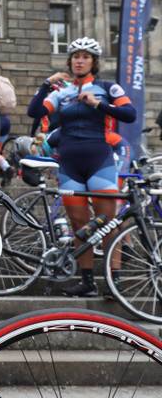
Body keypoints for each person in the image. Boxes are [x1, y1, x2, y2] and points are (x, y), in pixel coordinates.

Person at [27, 37, 136, 297]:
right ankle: (87, 281)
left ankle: (114, 279)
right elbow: (34, 112)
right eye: (76, 56)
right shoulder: (61, 92)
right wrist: (45, 84)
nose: (79, 60)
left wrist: (98, 104)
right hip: (70, 165)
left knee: (108, 222)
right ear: (70, 61)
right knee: (79, 225)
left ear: (93, 62)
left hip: (99, 160)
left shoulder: (108, 88)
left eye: (85, 57)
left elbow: (130, 114)